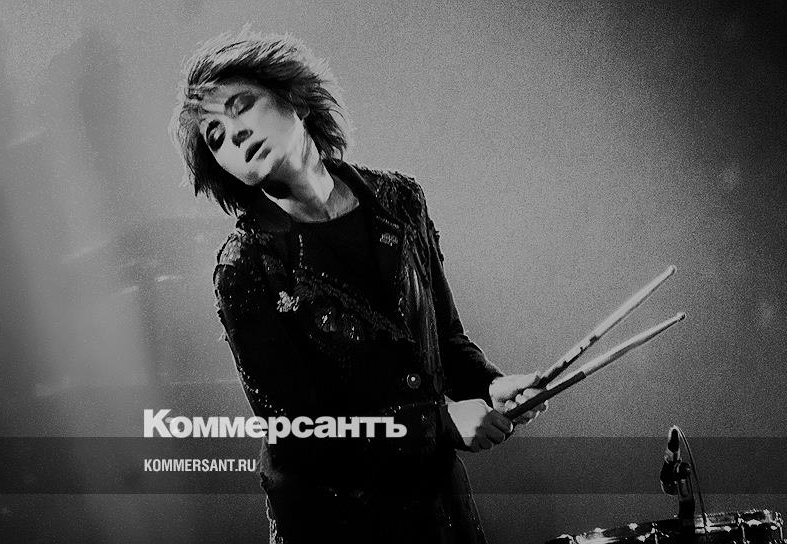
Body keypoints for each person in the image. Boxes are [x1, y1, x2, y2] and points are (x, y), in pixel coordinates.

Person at [171, 30, 547, 544]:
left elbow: (444, 340)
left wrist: (488, 386)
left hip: (438, 508)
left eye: (242, 107)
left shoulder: (400, 200)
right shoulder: (247, 266)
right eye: (215, 137)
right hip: (336, 526)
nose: (233, 136)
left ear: (295, 100)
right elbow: (299, 434)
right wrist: (438, 424)